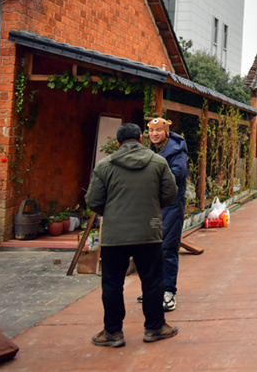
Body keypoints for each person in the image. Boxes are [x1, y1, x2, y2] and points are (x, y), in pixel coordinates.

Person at [86, 122, 178, 347]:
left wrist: (113, 213)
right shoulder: (158, 162)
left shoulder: (104, 165)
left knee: (112, 283)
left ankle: (113, 333)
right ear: (140, 139)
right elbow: (170, 193)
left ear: (118, 143)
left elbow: (93, 200)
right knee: (153, 281)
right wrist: (152, 207)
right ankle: (155, 328)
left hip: (114, 236)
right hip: (149, 232)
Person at [142, 117, 188, 312]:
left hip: (171, 206)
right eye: (151, 131)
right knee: (152, 248)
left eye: (158, 130)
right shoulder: (152, 150)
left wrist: (153, 174)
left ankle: (168, 291)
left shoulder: (177, 151)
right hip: (153, 206)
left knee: (168, 248)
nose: (154, 134)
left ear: (166, 132)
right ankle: (155, 288)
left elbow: (178, 173)